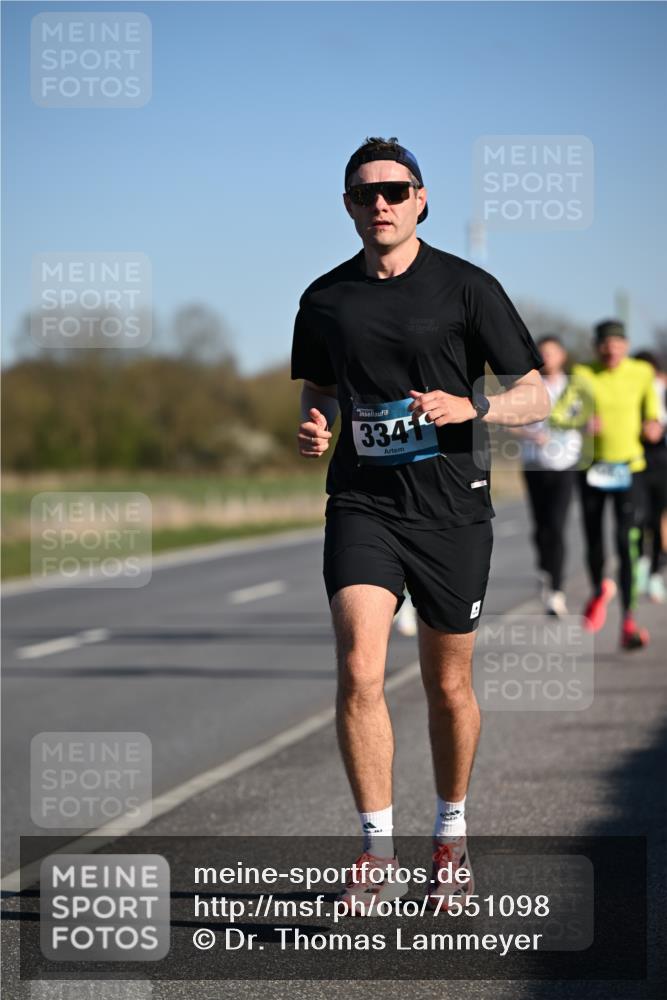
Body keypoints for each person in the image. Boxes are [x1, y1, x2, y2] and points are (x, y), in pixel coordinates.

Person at [290, 136, 548, 913]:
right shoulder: (325, 298)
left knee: (447, 684)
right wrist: (314, 423)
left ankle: (450, 842)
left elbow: (536, 395)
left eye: (396, 191)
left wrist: (477, 406)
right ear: (346, 206)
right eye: (366, 193)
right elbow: (320, 388)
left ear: (422, 199)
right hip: (363, 501)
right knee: (361, 669)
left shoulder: (467, 288)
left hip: (451, 507)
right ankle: (375, 853)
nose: (381, 204)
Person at [572, 321, 662, 649]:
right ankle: (599, 589)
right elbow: (559, 414)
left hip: (630, 468)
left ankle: (629, 620)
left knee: (627, 542)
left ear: (625, 345)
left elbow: (652, 413)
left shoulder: (640, 372)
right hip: (593, 469)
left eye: (617, 344)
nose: (611, 350)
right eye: (605, 345)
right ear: (596, 346)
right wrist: (581, 420)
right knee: (594, 540)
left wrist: (652, 426)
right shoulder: (582, 372)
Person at [512, 335, 583, 616]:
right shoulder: (528, 387)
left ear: (562, 355)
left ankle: (556, 589)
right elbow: (511, 423)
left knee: (556, 524)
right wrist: (530, 434)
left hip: (565, 465)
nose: (548, 358)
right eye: (542, 354)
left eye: (552, 353)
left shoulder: (575, 387)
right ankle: (544, 570)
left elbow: (587, 418)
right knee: (541, 527)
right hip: (534, 464)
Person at [633, 350, 667, 603]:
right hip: (636, 460)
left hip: (662, 462)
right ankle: (641, 566)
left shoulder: (661, 389)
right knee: (638, 518)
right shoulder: (631, 391)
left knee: (657, 521)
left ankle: (655, 572)